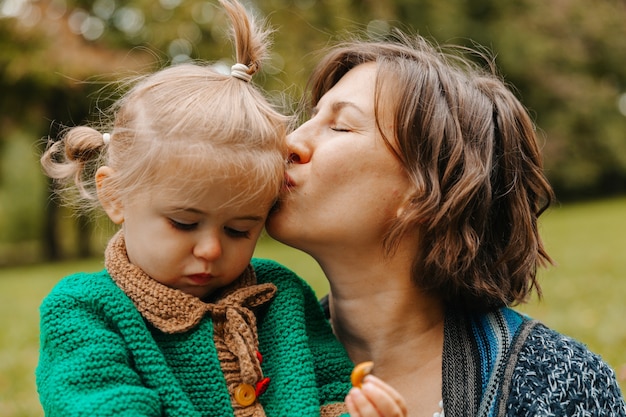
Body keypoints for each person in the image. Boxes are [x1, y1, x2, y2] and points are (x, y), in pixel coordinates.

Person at [266, 29, 626, 417]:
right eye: (309, 118)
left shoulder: (558, 384)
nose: (288, 142)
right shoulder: (241, 351)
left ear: (427, 192)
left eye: (340, 126)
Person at [35, 1, 354, 416]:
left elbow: (334, 387)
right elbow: (104, 404)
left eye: (239, 230)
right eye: (183, 223)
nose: (210, 250)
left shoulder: (282, 296)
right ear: (116, 197)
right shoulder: (85, 309)